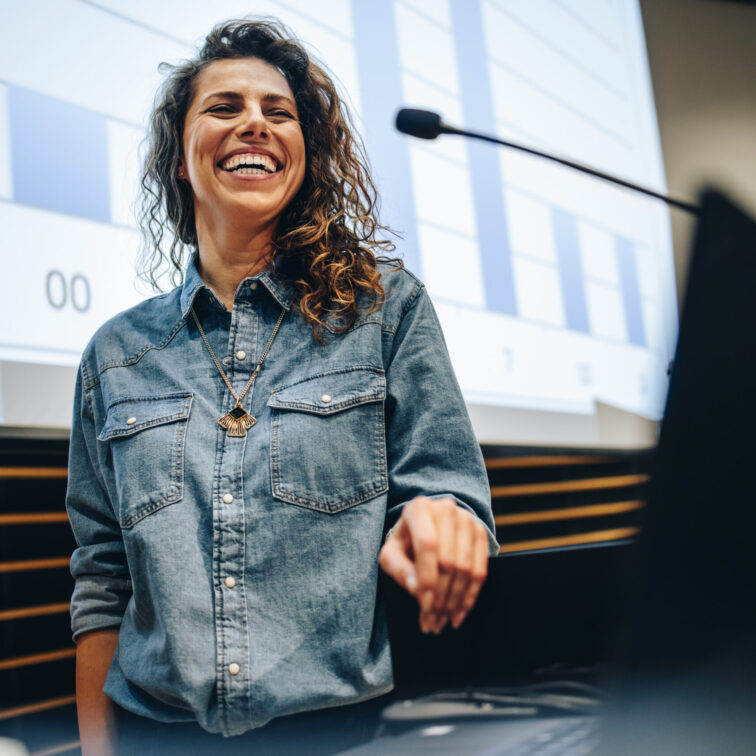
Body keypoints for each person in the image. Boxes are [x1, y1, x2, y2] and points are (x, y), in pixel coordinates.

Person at [66, 18, 498, 756]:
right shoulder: (115, 355)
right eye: (224, 107)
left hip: (344, 737)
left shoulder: (385, 311)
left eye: (279, 111)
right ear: (179, 156)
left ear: (306, 154)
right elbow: (102, 584)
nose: (255, 125)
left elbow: (452, 494)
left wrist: (441, 514)